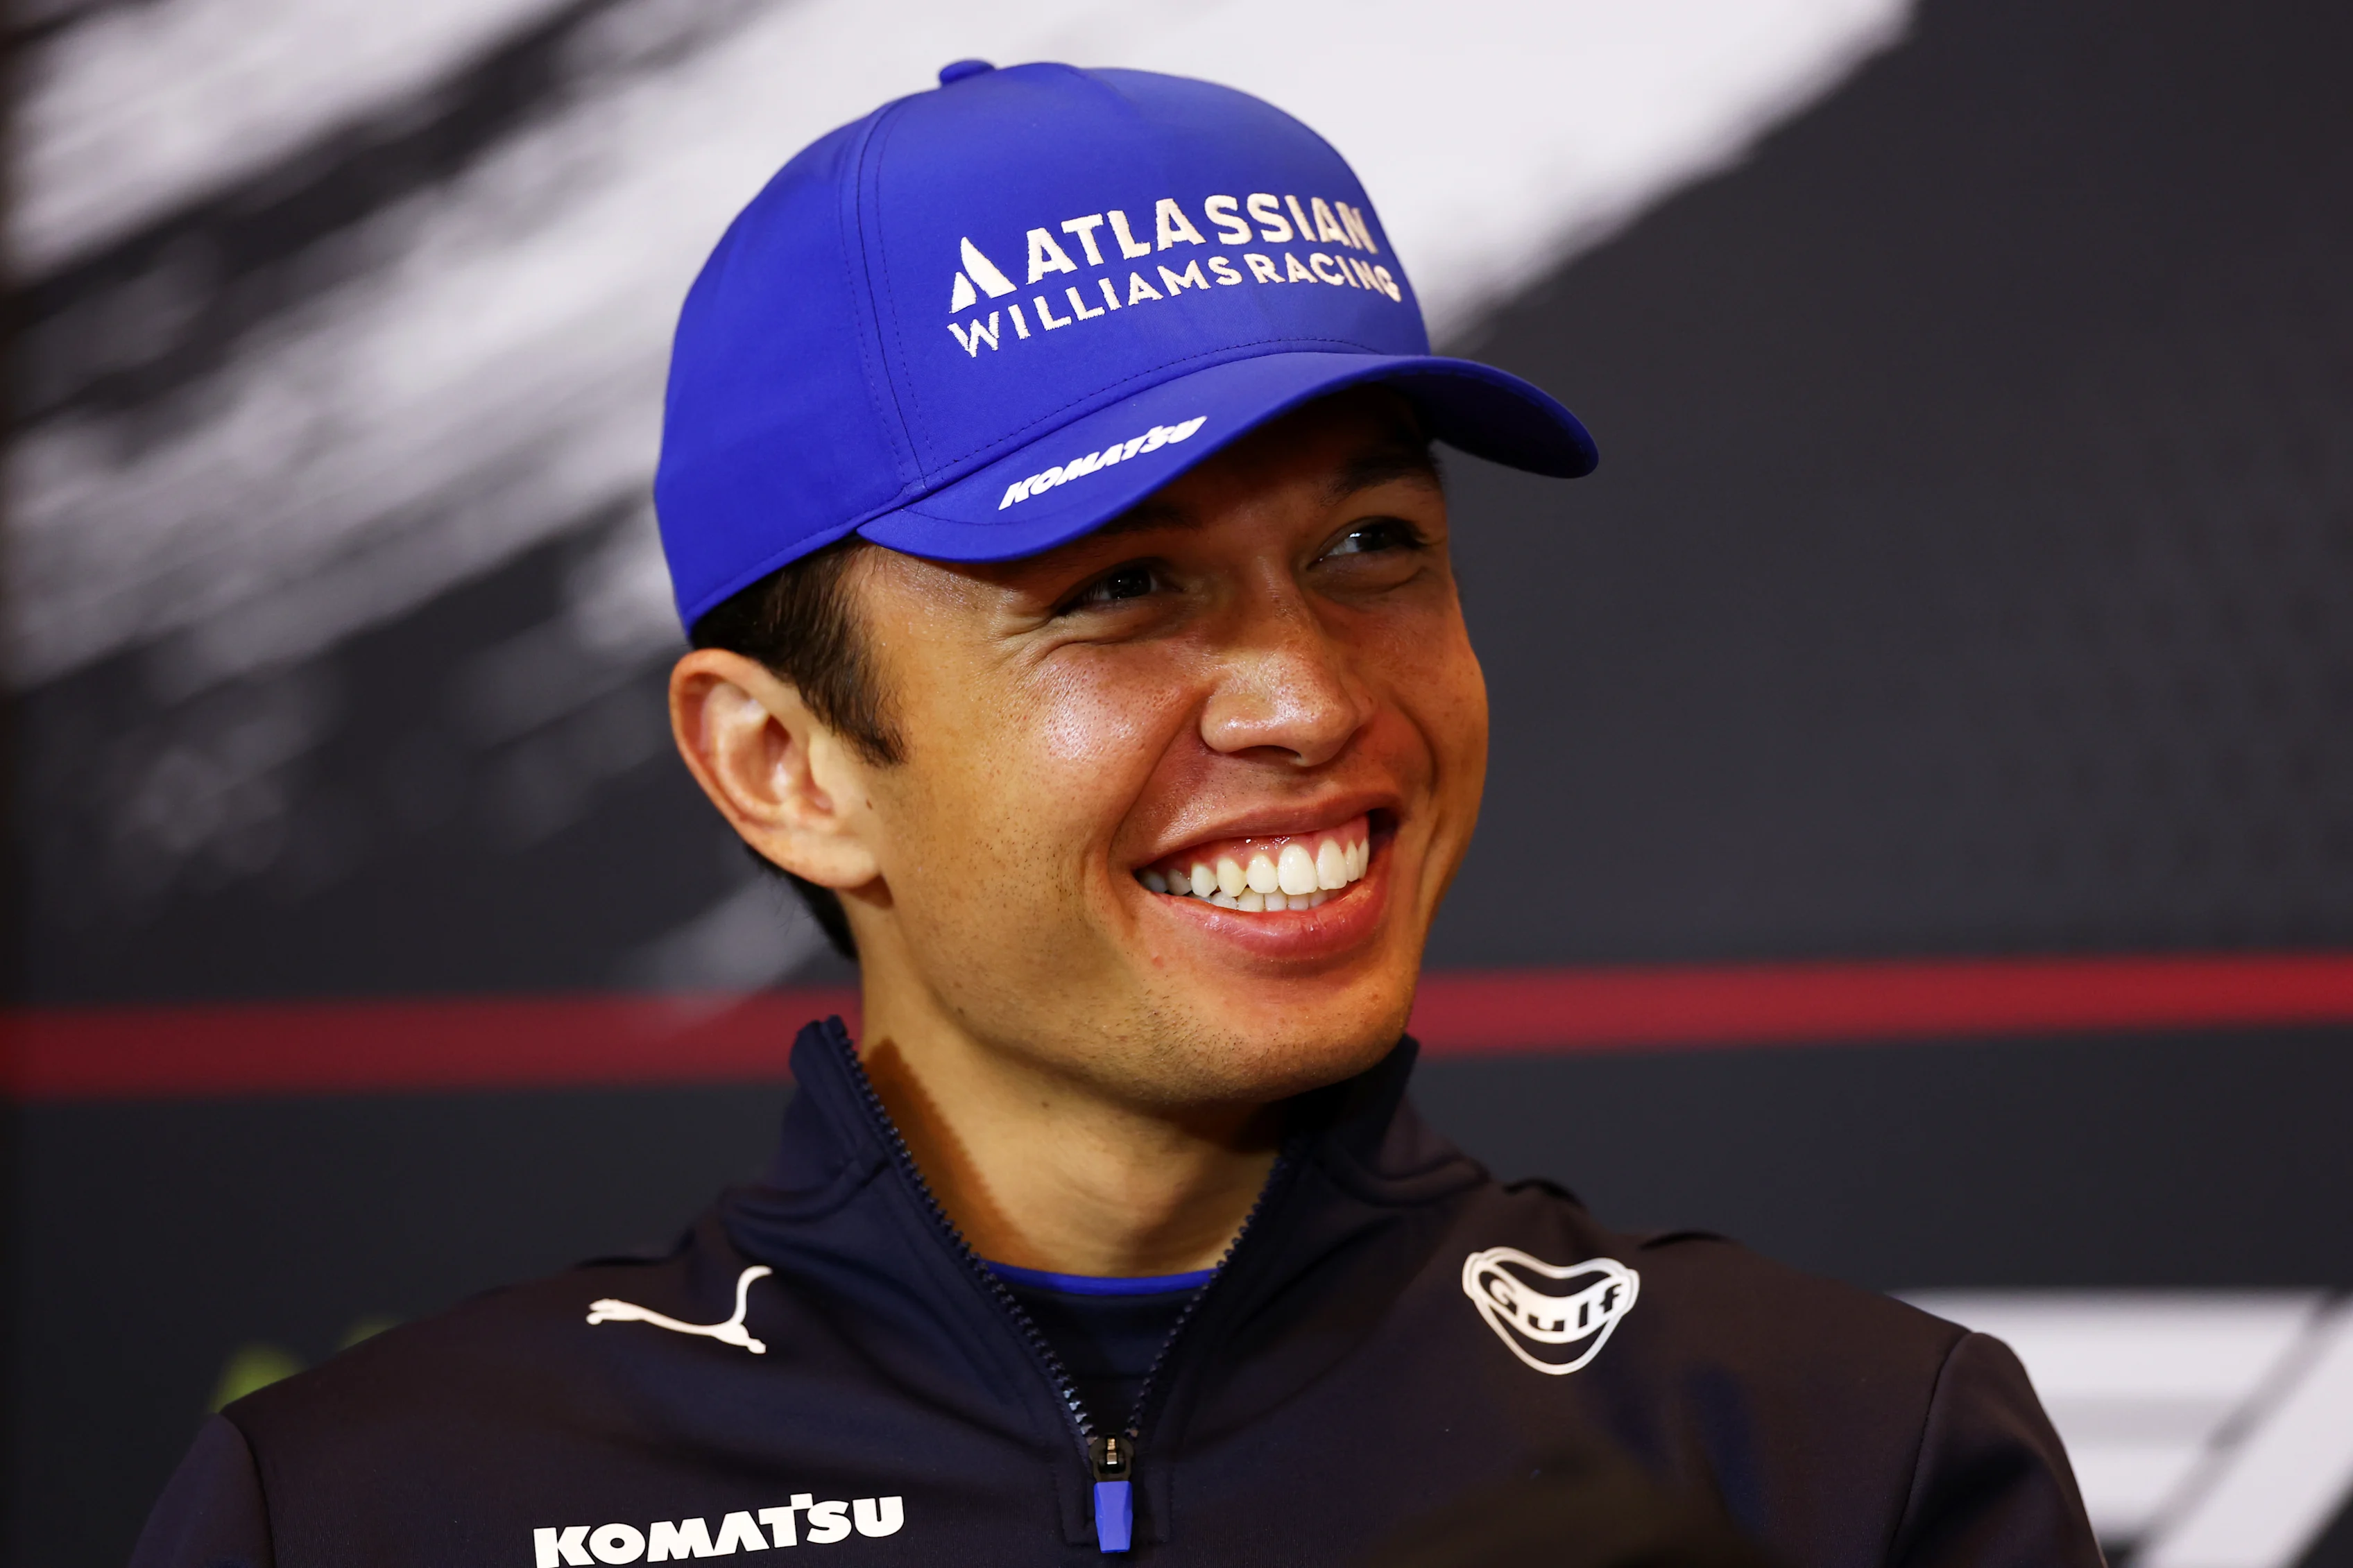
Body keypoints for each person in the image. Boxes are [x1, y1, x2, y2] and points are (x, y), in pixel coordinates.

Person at [132, 61, 2100, 1568]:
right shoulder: (371, 1511)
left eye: (1372, 540)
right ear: (783, 765)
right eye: (1120, 587)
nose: (1315, 694)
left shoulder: (1839, 1458)